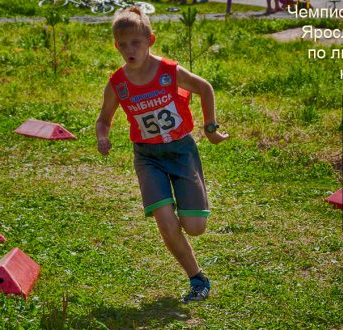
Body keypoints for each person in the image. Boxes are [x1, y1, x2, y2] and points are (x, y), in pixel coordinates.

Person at [95, 6, 228, 303]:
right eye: (123, 44)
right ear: (116, 46)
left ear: (150, 40)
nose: (130, 49)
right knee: (166, 222)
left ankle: (190, 203)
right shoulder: (118, 83)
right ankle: (197, 278)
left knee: (195, 227)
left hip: (181, 150)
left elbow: (205, 88)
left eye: (136, 43)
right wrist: (102, 136)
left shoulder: (168, 71)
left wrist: (209, 128)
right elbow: (103, 119)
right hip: (147, 156)